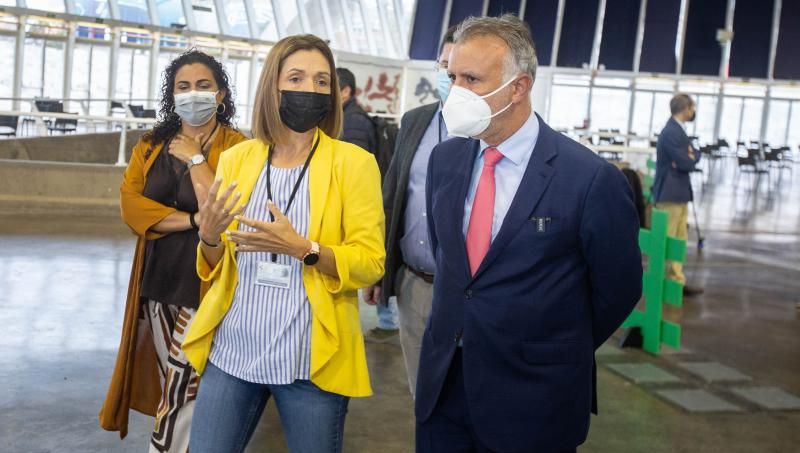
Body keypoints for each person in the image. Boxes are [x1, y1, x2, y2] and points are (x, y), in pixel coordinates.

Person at [415, 15, 643, 452]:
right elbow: (452, 265)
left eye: (472, 79)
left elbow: (617, 289)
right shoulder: (446, 160)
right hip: (443, 390)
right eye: (452, 77)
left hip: (534, 399)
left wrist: (549, 343)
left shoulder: (589, 179)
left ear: (518, 87)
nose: (456, 91)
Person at [182, 34, 385, 453]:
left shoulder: (354, 164)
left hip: (309, 360)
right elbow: (216, 260)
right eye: (296, 77)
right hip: (234, 349)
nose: (310, 90)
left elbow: (370, 263)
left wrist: (305, 249)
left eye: (321, 81)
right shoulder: (240, 159)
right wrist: (208, 237)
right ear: (273, 85)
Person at [99, 49, 247, 452]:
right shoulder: (150, 146)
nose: (193, 94)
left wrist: (197, 159)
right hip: (156, 283)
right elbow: (133, 207)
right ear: (172, 94)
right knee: (175, 382)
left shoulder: (239, 148)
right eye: (184, 87)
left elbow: (226, 207)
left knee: (182, 384)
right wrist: (194, 221)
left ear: (220, 95)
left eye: (203, 86)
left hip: (205, 286)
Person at [363, 26, 456, 396]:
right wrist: (380, 269)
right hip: (413, 284)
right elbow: (392, 197)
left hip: (464, 291)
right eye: (444, 66)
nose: (449, 77)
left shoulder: (487, 129)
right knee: (423, 396)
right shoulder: (416, 120)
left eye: (461, 70)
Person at [336, 66, 400, 341]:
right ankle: (387, 321)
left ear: (346, 91)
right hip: (370, 202)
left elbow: (351, 172)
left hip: (362, 205)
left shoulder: (354, 122)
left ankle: (387, 322)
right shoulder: (350, 118)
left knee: (370, 260)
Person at [652, 94, 703, 296]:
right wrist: (689, 157)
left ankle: (676, 281)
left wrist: (691, 155)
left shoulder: (679, 130)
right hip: (670, 193)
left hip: (679, 192)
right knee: (668, 237)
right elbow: (686, 162)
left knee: (679, 237)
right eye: (692, 107)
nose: (693, 112)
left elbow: (694, 154)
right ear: (685, 109)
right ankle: (665, 282)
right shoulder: (671, 132)